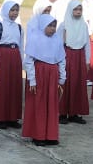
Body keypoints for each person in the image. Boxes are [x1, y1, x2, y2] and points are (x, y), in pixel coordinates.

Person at [21, 13, 66, 146]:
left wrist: (62, 77)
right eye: (49, 26)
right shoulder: (35, 38)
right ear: (42, 25)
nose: (52, 29)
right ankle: (38, 134)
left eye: (54, 26)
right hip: (39, 73)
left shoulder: (57, 39)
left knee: (51, 103)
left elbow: (61, 59)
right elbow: (29, 61)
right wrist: (32, 79)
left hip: (52, 74)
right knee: (39, 103)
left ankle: (50, 134)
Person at [57, 0, 90, 125]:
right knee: (66, 83)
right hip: (67, 55)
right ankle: (62, 113)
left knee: (78, 84)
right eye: (75, 9)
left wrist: (87, 60)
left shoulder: (84, 25)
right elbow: (58, 44)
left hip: (79, 56)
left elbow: (87, 44)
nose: (78, 12)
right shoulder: (63, 25)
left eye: (80, 9)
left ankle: (74, 112)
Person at [0, 0, 24, 129]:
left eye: (17, 10)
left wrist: (21, 62)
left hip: (15, 57)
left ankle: (13, 117)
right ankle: (0, 117)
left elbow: (21, 46)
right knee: (3, 87)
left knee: (14, 87)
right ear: (6, 11)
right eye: (12, 10)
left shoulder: (19, 27)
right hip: (3, 57)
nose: (14, 13)